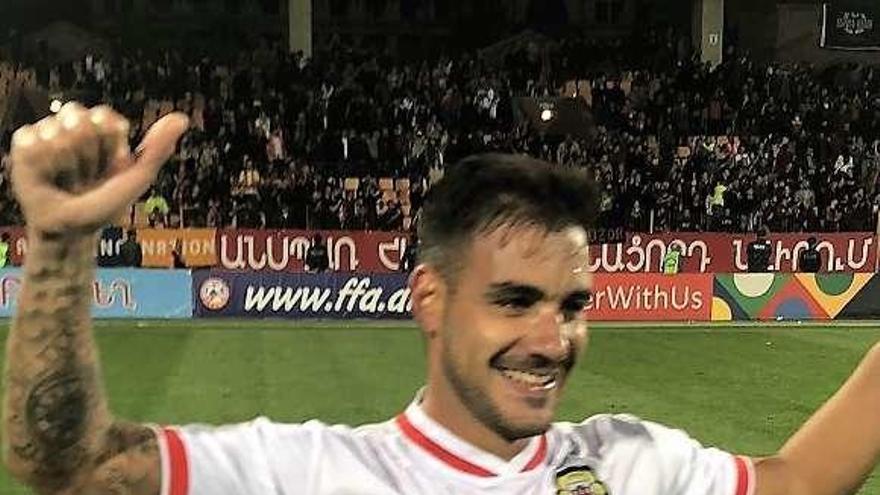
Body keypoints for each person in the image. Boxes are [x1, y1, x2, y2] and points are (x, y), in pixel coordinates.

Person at [6, 105, 880, 495]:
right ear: (430, 296)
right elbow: (70, 466)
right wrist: (58, 245)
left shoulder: (628, 463)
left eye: (571, 304)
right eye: (514, 299)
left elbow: (801, 479)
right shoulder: (311, 472)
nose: (551, 337)